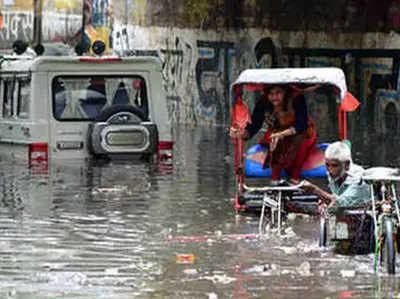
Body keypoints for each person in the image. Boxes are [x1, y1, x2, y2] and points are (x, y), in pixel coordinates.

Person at [230, 85, 317, 185]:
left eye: (278, 93)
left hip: (302, 133)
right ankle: (275, 179)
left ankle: (294, 178)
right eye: (271, 94)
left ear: (285, 92)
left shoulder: (297, 98)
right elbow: (255, 124)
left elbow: (301, 125)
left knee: (299, 143)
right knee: (274, 141)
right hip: (276, 132)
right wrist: (243, 133)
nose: (274, 97)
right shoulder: (263, 101)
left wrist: (282, 134)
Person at [301, 141, 370, 208]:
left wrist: (315, 190)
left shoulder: (360, 179)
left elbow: (341, 203)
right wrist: (324, 200)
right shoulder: (334, 174)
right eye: (327, 165)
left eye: (335, 165)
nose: (330, 170)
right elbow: (336, 198)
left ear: (347, 164)